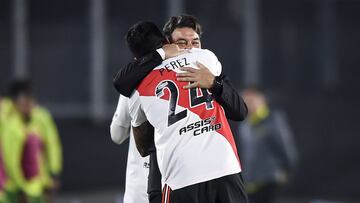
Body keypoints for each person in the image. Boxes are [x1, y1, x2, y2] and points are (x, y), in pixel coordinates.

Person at [112, 15, 248, 203]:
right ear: (168, 43)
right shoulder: (206, 58)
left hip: (184, 176)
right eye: (182, 42)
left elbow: (240, 111)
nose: (190, 48)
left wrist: (214, 84)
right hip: (209, 170)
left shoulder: (137, 88)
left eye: (195, 41)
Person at [1, 80, 62, 203]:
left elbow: (50, 146)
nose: (28, 106)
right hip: (15, 186)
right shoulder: (13, 126)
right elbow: (11, 160)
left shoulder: (35, 120)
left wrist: (53, 174)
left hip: (31, 185)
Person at [238, 87, 298, 203]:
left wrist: (288, 169)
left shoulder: (274, 119)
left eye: (251, 100)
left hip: (270, 180)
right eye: (245, 101)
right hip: (250, 181)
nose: (248, 104)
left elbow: (285, 147)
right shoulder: (245, 125)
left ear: (262, 100)